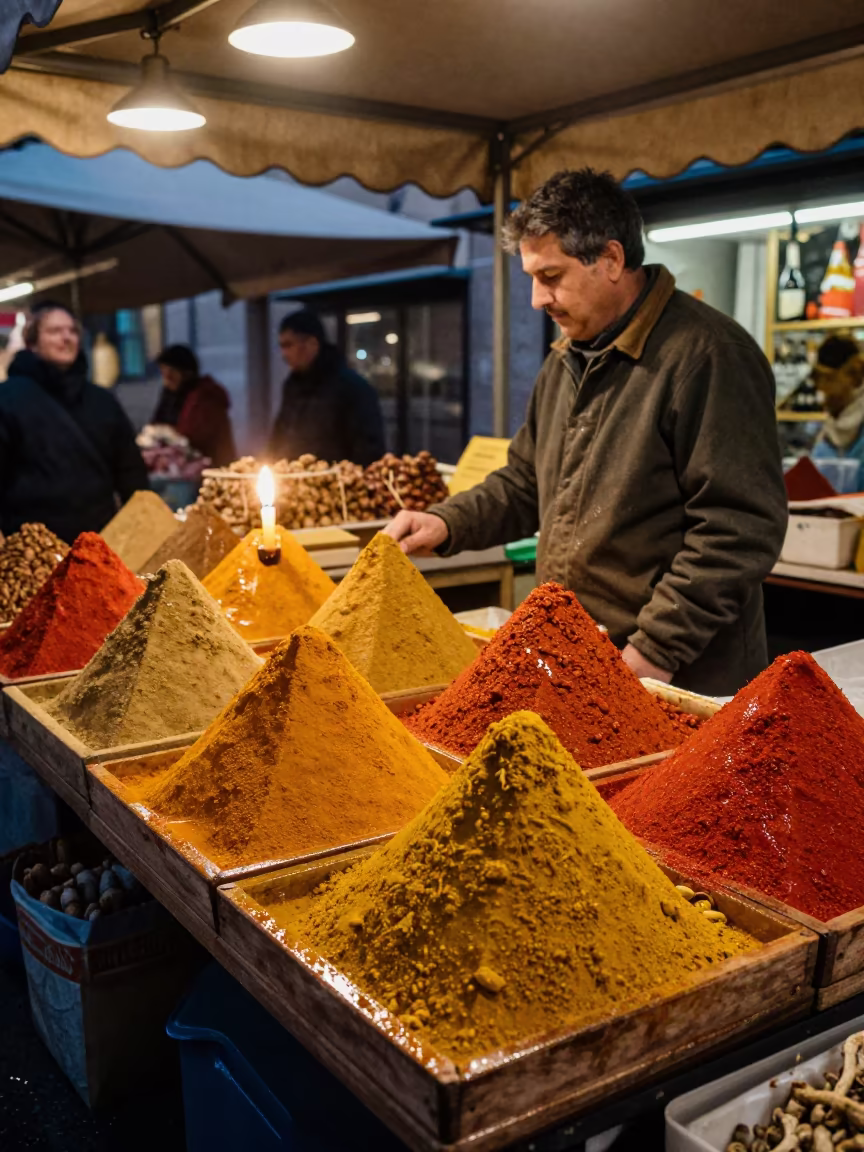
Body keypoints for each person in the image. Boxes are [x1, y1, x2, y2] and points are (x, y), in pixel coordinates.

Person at [386, 169, 788, 696]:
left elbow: (737, 528)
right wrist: (445, 523)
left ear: (612, 260)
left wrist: (655, 650)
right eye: (532, 277)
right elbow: (526, 483)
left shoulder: (708, 357)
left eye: (551, 275)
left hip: (676, 679)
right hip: (579, 659)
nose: (537, 299)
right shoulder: (566, 361)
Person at [0, 301, 149, 544]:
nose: (66, 338)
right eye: (54, 331)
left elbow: (131, 472)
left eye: (72, 331)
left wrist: (143, 526)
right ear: (32, 341)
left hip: (99, 544)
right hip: (31, 549)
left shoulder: (102, 400)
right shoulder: (7, 399)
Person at [269, 310, 385, 465]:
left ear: (311, 344)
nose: (284, 354)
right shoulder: (292, 386)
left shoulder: (351, 387)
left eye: (288, 345)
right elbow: (280, 435)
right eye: (282, 346)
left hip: (335, 477)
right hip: (294, 476)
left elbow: (368, 448)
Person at [152, 344, 236, 466]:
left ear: (187, 373)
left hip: (207, 467)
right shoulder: (170, 395)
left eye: (171, 372)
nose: (167, 378)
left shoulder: (205, 397)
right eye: (163, 372)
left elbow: (196, 440)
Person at [811, 335, 864, 488]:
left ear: (854, 376)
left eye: (829, 379)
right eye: (818, 379)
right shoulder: (829, 432)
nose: (822, 388)